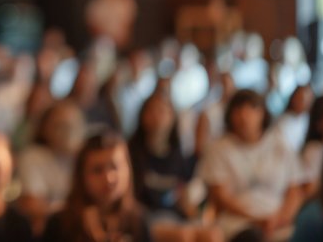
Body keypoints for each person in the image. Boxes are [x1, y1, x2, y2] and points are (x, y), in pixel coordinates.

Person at [198, 90, 303, 241]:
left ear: (263, 113)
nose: (244, 116)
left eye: (252, 109)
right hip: (237, 222)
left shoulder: (280, 143)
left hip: (277, 219)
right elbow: (220, 197)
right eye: (238, 110)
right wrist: (256, 220)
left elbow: (295, 190)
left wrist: (281, 218)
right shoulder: (219, 148)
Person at [128, 93, 220, 242]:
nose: (157, 117)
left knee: (212, 234)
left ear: (172, 117)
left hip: (176, 215)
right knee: (183, 235)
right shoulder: (131, 153)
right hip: (147, 216)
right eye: (152, 111)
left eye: (162, 111)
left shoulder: (177, 155)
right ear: (143, 116)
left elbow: (183, 193)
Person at [42, 131, 151, 242]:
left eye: (115, 167)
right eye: (97, 170)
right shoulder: (60, 223)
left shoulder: (138, 220)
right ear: (81, 176)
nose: (109, 178)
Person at [16, 99, 86, 235]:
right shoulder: (32, 156)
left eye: (73, 126)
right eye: (60, 126)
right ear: (44, 128)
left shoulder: (87, 158)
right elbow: (32, 206)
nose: (67, 133)